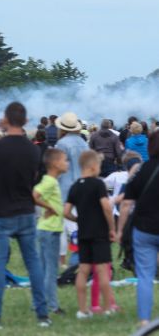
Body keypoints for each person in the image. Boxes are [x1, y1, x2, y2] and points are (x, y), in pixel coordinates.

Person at [0, 102, 51, 328]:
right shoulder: (32, 149)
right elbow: (33, 177)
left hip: (0, 211)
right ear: (26, 120)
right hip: (26, 211)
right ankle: (42, 314)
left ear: (5, 118)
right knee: (33, 264)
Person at [63, 150, 117, 319]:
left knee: (83, 271)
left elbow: (66, 212)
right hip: (99, 233)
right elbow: (106, 207)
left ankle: (82, 310)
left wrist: (77, 219)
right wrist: (111, 227)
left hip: (83, 233)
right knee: (102, 271)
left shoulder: (75, 186)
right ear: (93, 166)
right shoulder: (98, 184)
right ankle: (108, 308)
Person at [117, 130, 159, 327]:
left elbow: (125, 204)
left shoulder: (141, 170)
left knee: (144, 275)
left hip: (144, 229)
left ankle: (144, 320)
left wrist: (119, 230)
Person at [33, 148, 69, 315]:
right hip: (50, 230)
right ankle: (52, 305)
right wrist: (49, 207)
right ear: (55, 164)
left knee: (42, 268)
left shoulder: (50, 180)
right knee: (51, 270)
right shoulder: (51, 182)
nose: (67, 163)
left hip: (45, 229)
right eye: (65, 160)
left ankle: (38, 302)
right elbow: (34, 195)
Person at [55, 112, 89, 267]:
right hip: (82, 186)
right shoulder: (84, 143)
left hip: (64, 187)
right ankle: (80, 255)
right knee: (78, 223)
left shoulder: (61, 144)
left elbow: (57, 167)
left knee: (61, 225)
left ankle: (62, 259)